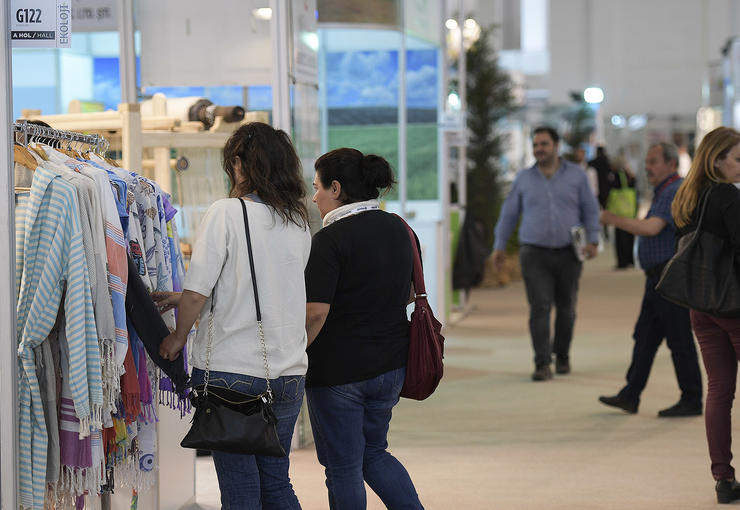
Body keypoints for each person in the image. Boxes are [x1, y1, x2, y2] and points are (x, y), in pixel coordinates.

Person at [154, 122, 311, 509]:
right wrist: (182, 298)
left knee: (240, 488)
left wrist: (177, 338)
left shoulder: (226, 212)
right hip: (289, 373)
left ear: (239, 164)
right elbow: (272, 290)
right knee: (276, 484)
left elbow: (197, 292)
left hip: (232, 375)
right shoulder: (297, 221)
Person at [304, 148, 424, 509]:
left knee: (343, 467)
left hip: (338, 372)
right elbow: (408, 293)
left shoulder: (329, 240)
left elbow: (315, 313)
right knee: (374, 452)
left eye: (317, 187)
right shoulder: (399, 228)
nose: (314, 197)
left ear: (336, 188)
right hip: (391, 366)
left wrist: (292, 355)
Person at [598, 142, 703, 417]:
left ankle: (692, 398)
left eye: (654, 161)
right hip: (657, 280)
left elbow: (651, 228)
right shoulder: (665, 190)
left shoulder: (673, 190)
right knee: (645, 337)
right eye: (647, 161)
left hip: (669, 280)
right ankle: (630, 395)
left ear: (671, 163)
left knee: (679, 339)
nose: (647, 167)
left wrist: (612, 219)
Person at [493, 126, 600, 381]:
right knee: (539, 307)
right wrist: (499, 245)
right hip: (534, 252)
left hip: (569, 251)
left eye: (544, 144)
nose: (539, 149)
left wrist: (593, 239)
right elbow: (509, 213)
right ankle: (542, 362)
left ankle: (562, 355)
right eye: (536, 145)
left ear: (556, 146)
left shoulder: (576, 175)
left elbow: (590, 209)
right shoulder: (524, 178)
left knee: (566, 307)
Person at [671, 127, 740, 504]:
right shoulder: (726, 195)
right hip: (733, 306)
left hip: (701, 306)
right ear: (716, 160)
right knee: (720, 390)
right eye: (738, 159)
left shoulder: (687, 196)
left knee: (719, 390)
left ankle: (723, 479)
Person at [609, 156, 637, 269]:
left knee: (620, 238)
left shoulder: (617, 175)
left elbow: (611, 189)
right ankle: (631, 260)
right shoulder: (630, 175)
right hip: (630, 210)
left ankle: (622, 262)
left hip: (620, 211)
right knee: (630, 235)